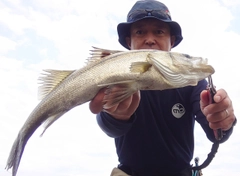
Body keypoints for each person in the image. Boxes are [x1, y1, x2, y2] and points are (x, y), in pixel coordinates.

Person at [89, 0, 237, 176]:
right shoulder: (119, 78)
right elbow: (110, 127)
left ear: (171, 41)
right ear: (129, 42)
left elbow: (216, 133)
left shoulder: (192, 81)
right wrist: (114, 116)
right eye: (140, 31)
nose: (150, 40)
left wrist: (222, 119)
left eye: (159, 32)